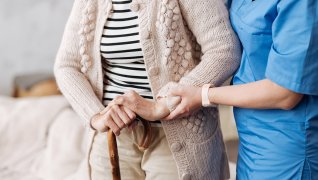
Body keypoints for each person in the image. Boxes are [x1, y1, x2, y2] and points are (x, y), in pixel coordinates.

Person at [124, 0, 318, 179]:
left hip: (290, 141)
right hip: (252, 138)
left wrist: (203, 95)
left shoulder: (302, 3)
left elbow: (285, 93)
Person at [54, 0, 241, 179]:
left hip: (179, 135)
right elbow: (67, 65)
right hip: (112, 140)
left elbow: (224, 49)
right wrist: (95, 115)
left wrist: (167, 103)